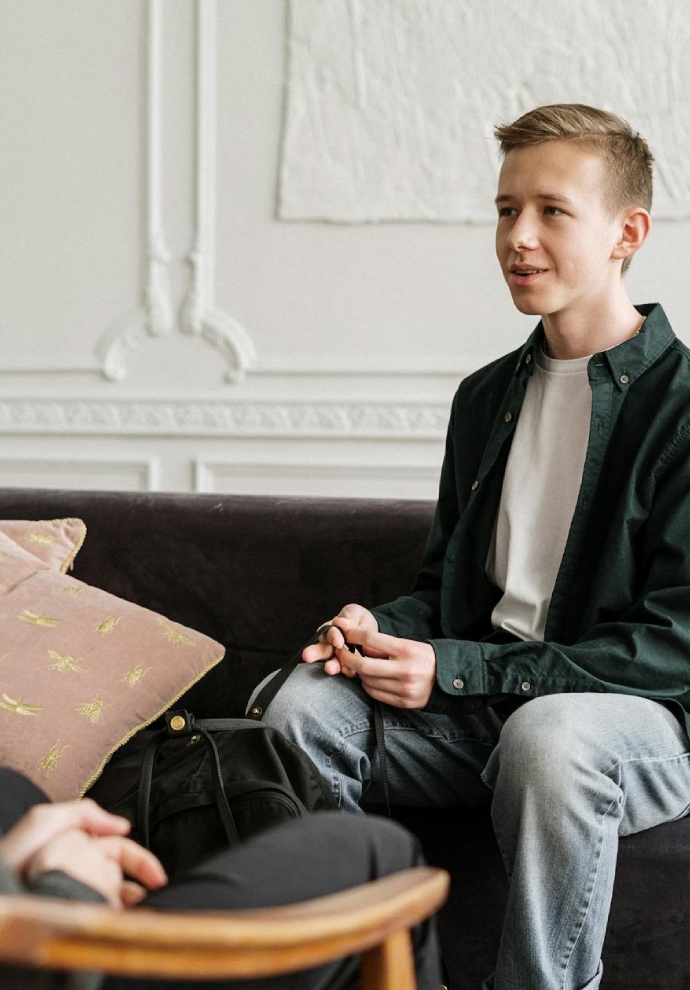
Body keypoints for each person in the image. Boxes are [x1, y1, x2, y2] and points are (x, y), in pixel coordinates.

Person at [259, 104, 690, 990]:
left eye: (551, 211)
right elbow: (450, 592)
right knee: (300, 711)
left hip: (632, 726)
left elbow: (673, 647)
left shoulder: (682, 409)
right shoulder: (486, 397)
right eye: (504, 210)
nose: (518, 238)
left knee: (549, 739)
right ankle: (358, 974)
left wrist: (455, 670)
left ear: (628, 232)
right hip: (482, 712)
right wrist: (377, 626)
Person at [0, 534, 438, 990]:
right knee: (376, 851)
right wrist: (66, 896)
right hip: (11, 964)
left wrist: (13, 857)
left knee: (6, 794)